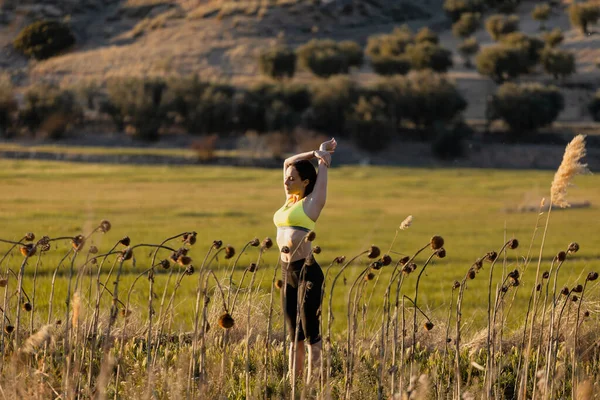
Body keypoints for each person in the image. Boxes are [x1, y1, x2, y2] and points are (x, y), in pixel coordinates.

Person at [273, 137, 337, 384]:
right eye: (286, 178)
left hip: (307, 271)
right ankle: (293, 382)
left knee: (310, 332)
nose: (287, 182)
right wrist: (314, 151)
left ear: (306, 182)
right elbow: (289, 160)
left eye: (292, 179)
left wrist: (322, 159)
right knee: (293, 333)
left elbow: (322, 177)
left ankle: (314, 383)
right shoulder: (288, 202)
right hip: (285, 271)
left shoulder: (312, 204)